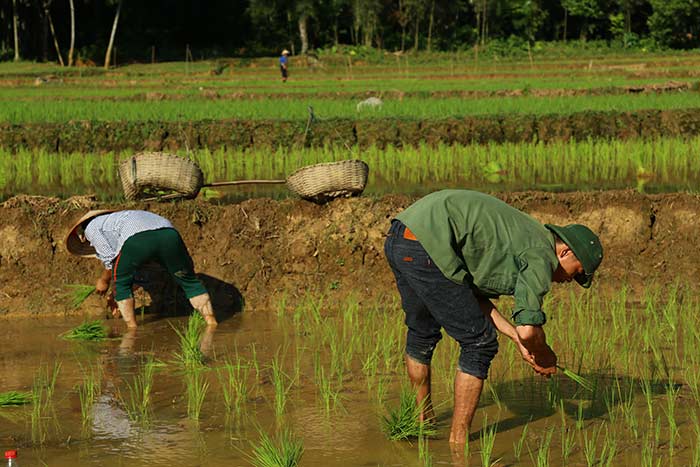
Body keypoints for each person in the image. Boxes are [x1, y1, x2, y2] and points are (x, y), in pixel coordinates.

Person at [383, 190, 603, 445]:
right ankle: (458, 442)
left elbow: (471, 299)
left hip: (403, 236)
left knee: (422, 333)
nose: (568, 281)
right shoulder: (541, 254)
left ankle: (422, 422)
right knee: (480, 343)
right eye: (575, 274)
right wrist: (542, 353)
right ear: (564, 252)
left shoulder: (524, 235)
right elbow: (529, 329)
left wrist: (516, 340)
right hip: (428, 246)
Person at [65, 210, 217, 329]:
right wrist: (116, 293)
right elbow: (142, 269)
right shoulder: (123, 218)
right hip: (170, 235)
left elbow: (110, 259)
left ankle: (132, 331)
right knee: (189, 280)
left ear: (81, 234)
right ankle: (211, 323)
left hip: (137, 238)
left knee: (122, 285)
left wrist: (104, 281)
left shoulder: (92, 228)